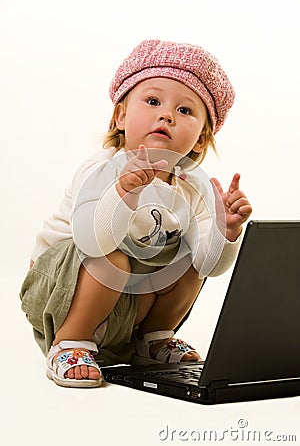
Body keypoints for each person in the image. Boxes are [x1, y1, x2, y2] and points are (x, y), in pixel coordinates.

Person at [20, 39, 252, 388]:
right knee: (110, 251)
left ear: (200, 140)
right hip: (60, 291)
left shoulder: (191, 189)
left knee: (189, 258)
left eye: (185, 111)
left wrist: (225, 231)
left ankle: (153, 340)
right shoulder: (103, 168)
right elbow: (92, 238)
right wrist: (124, 194)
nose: (167, 115)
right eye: (153, 101)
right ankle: (70, 341)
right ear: (120, 116)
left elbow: (209, 266)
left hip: (125, 307)